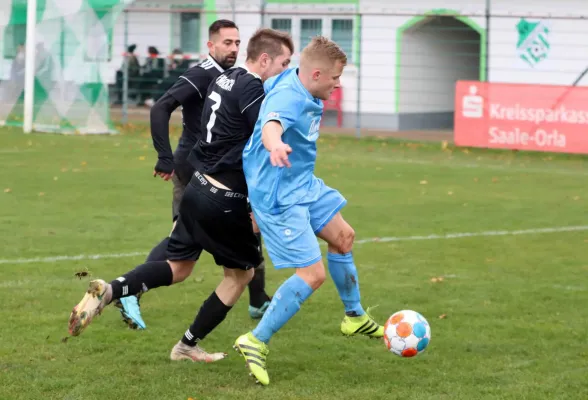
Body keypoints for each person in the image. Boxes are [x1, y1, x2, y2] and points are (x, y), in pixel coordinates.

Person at [68, 28, 293, 364]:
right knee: (239, 275)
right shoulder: (252, 88)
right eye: (284, 63)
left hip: (197, 187)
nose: (286, 71)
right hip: (225, 199)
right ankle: (187, 345)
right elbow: (264, 139)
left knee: (179, 266)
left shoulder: (224, 78)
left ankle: (111, 289)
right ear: (264, 59)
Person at [233, 36, 384, 386]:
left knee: (343, 237)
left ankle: (354, 316)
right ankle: (255, 340)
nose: (338, 83)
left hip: (301, 182)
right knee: (312, 275)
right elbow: (272, 122)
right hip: (278, 196)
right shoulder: (290, 96)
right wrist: (273, 143)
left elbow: (268, 86)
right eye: (334, 78)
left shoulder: (294, 79)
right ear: (315, 74)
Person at [114, 19, 272, 331]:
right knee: (188, 241)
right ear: (210, 45)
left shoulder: (231, 78)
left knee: (243, 232)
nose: (234, 48)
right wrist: (164, 156)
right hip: (196, 168)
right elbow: (161, 107)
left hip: (211, 166)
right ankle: (129, 289)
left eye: (237, 43)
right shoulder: (203, 73)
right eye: (227, 43)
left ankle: (257, 299)